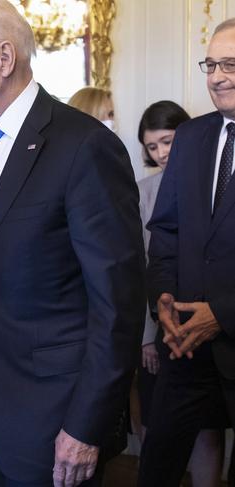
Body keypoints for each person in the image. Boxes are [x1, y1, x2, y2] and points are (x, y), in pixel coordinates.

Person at [0, 0, 146, 485]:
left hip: (60, 416)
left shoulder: (84, 146)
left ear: (4, 59)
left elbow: (118, 305)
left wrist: (86, 425)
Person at [137, 19, 235, 487]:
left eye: (231, 64)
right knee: (156, 467)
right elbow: (166, 231)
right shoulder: (193, 136)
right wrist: (162, 300)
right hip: (184, 346)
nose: (217, 76)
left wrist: (224, 313)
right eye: (211, 64)